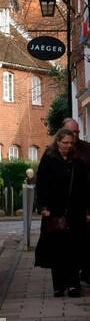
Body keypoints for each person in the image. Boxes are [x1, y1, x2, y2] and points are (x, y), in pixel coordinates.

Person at [34, 125, 90, 296]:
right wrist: (43, 207)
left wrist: (87, 211)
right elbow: (41, 184)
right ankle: (59, 286)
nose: (68, 145)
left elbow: (85, 188)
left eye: (70, 143)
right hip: (55, 213)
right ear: (57, 142)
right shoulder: (49, 159)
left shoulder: (77, 161)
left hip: (75, 212)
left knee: (75, 249)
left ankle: (73, 285)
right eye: (65, 142)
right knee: (58, 250)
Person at [61, 119, 90, 280]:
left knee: (85, 239)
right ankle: (69, 278)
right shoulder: (57, 152)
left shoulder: (86, 149)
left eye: (77, 132)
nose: (75, 135)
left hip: (84, 203)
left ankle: (85, 272)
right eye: (72, 132)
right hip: (65, 206)